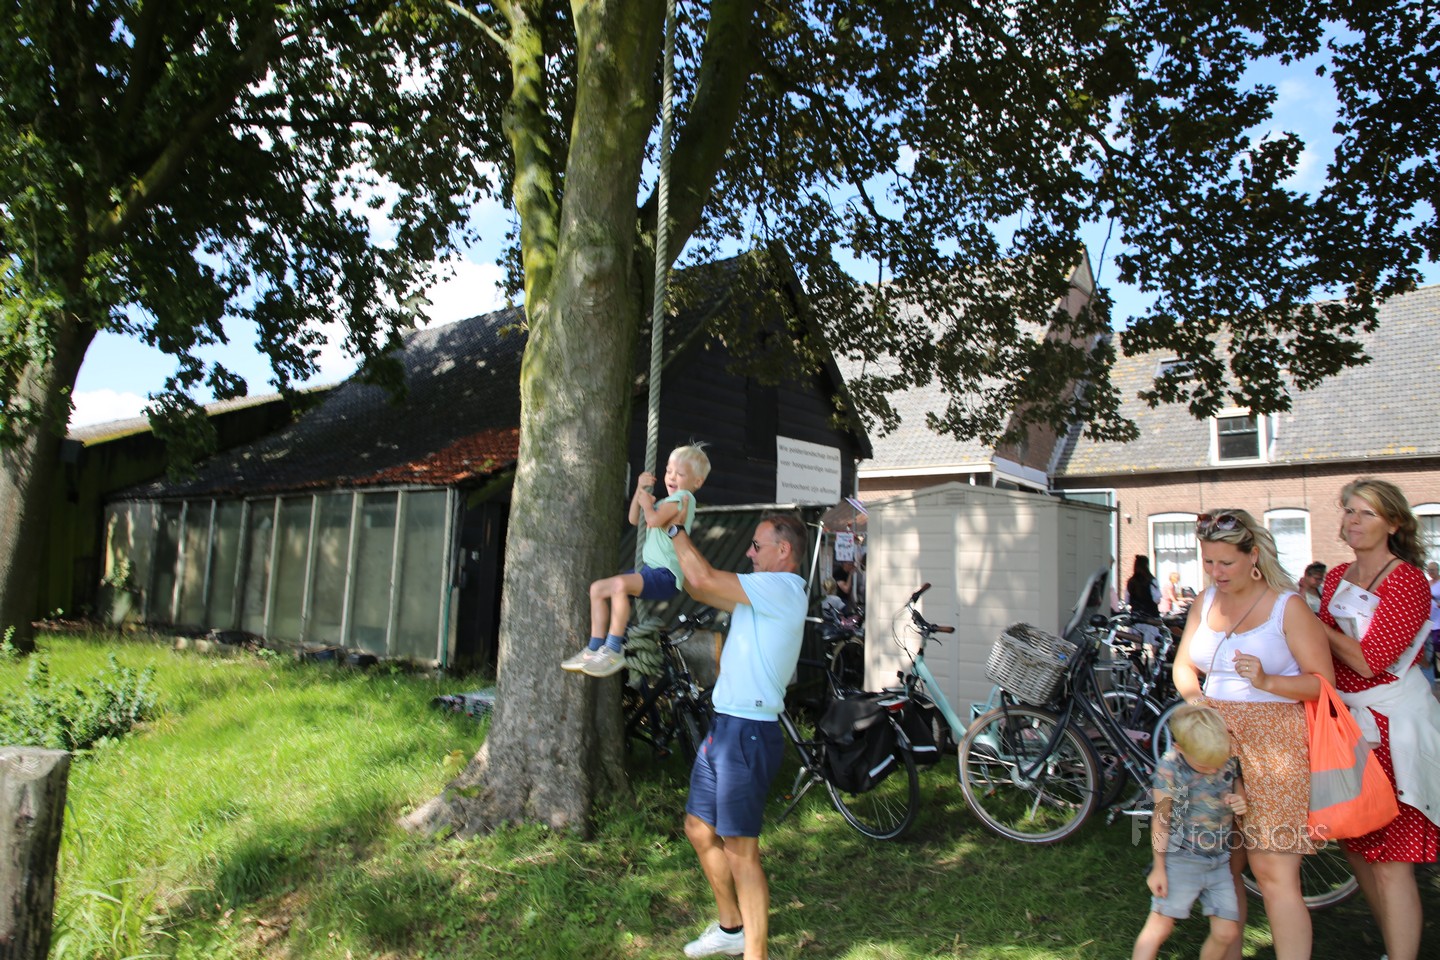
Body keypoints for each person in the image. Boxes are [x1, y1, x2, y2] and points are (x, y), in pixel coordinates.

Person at [1170, 509, 1333, 960]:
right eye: (1208, 561)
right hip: (1213, 744)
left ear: (1253, 555)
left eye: (1226, 562)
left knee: (1274, 872)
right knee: (1223, 867)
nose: (1216, 572)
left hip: (1274, 744)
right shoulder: (1204, 602)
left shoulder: (1287, 606)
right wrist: (1198, 702)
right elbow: (1184, 666)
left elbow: (1323, 684)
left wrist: (1267, 681)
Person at [670, 514, 808, 960]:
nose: (749, 553)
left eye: (756, 545)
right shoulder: (758, 592)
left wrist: (675, 530)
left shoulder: (783, 589)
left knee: (740, 850)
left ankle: (756, 953)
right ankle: (731, 928)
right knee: (698, 828)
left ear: (783, 551)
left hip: (749, 732)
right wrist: (664, 538)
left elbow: (704, 577)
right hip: (725, 726)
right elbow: (698, 587)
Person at [1315, 478, 1440, 960]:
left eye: (1366, 513)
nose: (1353, 520)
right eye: (1349, 510)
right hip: (1350, 723)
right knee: (1356, 844)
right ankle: (1393, 945)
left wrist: (1313, 623)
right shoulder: (1336, 576)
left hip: (1394, 724)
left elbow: (1371, 661)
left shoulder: (1407, 580)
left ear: (1393, 523)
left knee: (1391, 858)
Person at [560, 443, 710, 677]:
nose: (672, 477)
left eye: (680, 474)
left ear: (696, 482)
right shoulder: (664, 503)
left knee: (619, 586)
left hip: (666, 575)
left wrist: (647, 505)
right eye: (669, 471)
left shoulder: (683, 498)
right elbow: (634, 519)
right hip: (650, 571)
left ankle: (613, 648)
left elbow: (652, 520)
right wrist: (640, 490)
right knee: (597, 589)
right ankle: (594, 647)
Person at [1132, 704, 1248, 960]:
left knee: (1227, 932)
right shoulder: (1170, 768)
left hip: (1219, 861)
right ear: (1180, 748)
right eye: (1205, 766)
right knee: (1160, 926)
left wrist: (1238, 800)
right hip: (1181, 859)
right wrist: (1159, 868)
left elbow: (1237, 787)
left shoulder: (1225, 757)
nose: (1213, 770)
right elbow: (1160, 820)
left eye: (1218, 764)